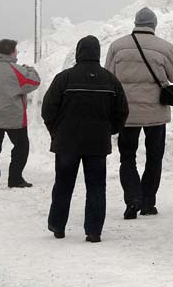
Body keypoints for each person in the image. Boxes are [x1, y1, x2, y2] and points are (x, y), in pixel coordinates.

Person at [41, 36, 129, 243]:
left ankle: (58, 226)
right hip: (97, 143)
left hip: (66, 142)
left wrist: (56, 131)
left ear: (79, 52)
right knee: (97, 187)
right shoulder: (110, 79)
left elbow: (48, 110)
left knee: (63, 184)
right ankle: (94, 231)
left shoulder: (64, 78)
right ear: (98, 53)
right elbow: (122, 111)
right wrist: (110, 130)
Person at [105, 7, 173, 220]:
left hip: (127, 113)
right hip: (155, 113)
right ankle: (148, 202)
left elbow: (109, 76)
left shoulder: (117, 46)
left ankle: (132, 198)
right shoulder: (165, 48)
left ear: (135, 23)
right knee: (154, 157)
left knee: (127, 157)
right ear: (154, 25)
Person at [0, 39, 40, 190]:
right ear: (11, 52)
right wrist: (30, 69)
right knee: (21, 146)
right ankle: (15, 179)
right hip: (12, 116)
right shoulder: (15, 69)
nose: (17, 53)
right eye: (16, 50)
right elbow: (33, 82)